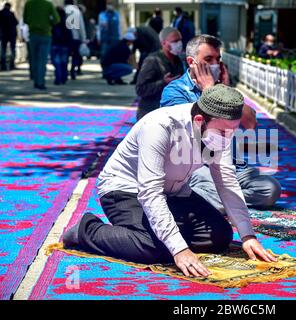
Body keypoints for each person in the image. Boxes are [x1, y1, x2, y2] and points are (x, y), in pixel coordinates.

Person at [62, 84, 277, 277]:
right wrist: (179, 249)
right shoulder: (160, 126)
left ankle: (161, 231)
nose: (228, 137)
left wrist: (248, 235)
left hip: (175, 191)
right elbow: (150, 192)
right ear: (199, 120)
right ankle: (86, 230)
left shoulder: (222, 131)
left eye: (232, 131)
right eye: (222, 131)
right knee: (157, 249)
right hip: (126, 190)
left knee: (220, 236)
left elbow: (227, 182)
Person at [161, 35, 282, 213]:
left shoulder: (220, 87)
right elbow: (194, 133)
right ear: (191, 62)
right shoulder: (175, 91)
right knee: (215, 200)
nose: (215, 64)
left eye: (218, 59)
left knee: (270, 190)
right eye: (208, 59)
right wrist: (211, 91)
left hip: (231, 165)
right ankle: (217, 198)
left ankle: (216, 198)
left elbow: (250, 123)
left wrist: (224, 90)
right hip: (197, 166)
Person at [135, 27, 184, 120]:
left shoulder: (178, 60)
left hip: (169, 112)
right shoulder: (152, 60)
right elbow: (140, 89)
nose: (179, 44)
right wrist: (163, 83)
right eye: (175, 41)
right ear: (163, 43)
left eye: (180, 40)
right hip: (150, 113)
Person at [23, 0, 60, 90]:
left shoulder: (28, 4)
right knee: (42, 60)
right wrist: (48, 23)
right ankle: (41, 82)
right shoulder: (48, 5)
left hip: (33, 34)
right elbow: (57, 19)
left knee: (34, 59)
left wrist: (33, 23)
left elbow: (25, 19)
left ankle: (35, 80)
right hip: (45, 34)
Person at [64, 0, 87, 79]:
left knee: (65, 55)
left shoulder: (63, 10)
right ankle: (73, 70)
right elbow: (81, 25)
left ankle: (64, 71)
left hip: (65, 37)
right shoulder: (76, 11)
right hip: (75, 37)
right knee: (75, 56)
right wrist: (83, 38)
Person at [50, 6, 72, 85]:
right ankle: (64, 77)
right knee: (64, 62)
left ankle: (58, 78)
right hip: (65, 45)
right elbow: (69, 35)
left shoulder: (53, 23)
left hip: (55, 44)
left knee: (57, 62)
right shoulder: (66, 22)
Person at [0, 2, 18, 71]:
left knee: (3, 50)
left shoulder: (0, 13)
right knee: (12, 49)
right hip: (11, 34)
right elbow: (16, 23)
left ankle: (3, 66)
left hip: (3, 34)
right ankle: (11, 65)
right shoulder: (11, 14)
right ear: (9, 7)